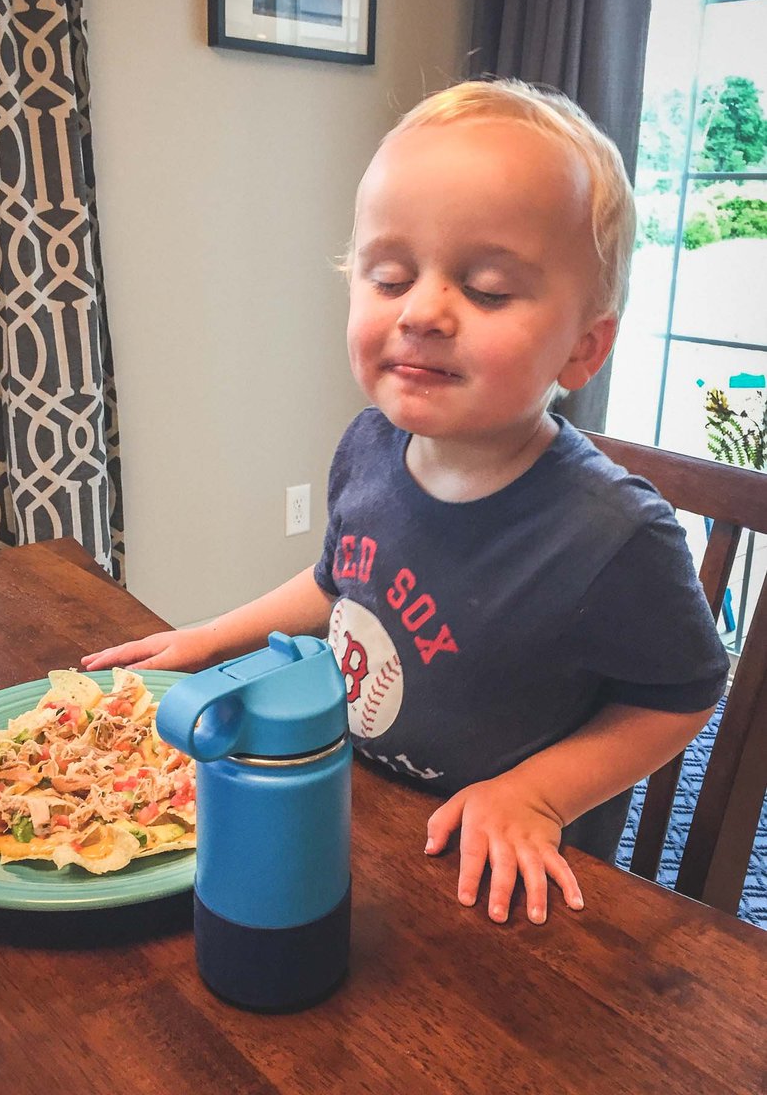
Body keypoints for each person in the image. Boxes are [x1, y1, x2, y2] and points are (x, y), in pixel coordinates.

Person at [82, 78, 729, 926]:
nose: (423, 310)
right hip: (363, 822)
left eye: (489, 289)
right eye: (389, 277)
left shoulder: (614, 535)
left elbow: (679, 696)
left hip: (501, 883)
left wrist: (535, 797)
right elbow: (337, 582)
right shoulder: (368, 445)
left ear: (584, 347)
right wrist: (208, 637)